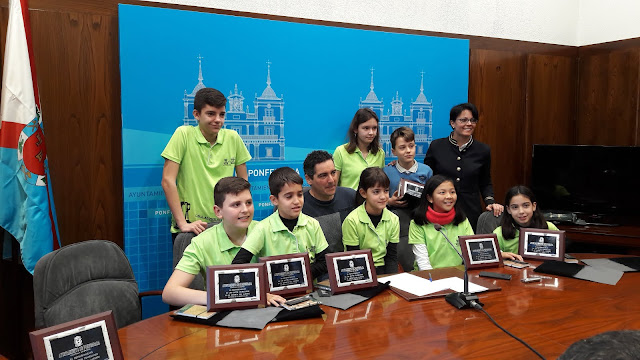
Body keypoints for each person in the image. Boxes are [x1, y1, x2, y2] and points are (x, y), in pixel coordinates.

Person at [162, 177, 285, 307]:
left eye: (248, 202)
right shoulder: (202, 242)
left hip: (269, 311)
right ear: (218, 211)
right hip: (225, 315)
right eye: (236, 205)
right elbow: (170, 292)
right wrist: (230, 296)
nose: (245, 210)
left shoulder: (267, 231)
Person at [161, 87, 251, 240]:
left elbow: (243, 183)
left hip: (225, 226)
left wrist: (237, 216)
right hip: (192, 227)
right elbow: (167, 180)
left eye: (222, 114)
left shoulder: (233, 137)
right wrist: (182, 223)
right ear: (196, 114)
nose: (217, 120)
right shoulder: (183, 134)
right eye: (211, 114)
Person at [232, 167, 329, 280]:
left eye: (300, 194)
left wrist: (298, 275)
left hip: (309, 292)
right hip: (274, 295)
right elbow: (238, 265)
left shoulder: (313, 224)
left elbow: (325, 263)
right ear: (274, 200)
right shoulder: (262, 228)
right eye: (289, 196)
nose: (297, 201)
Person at [423, 103, 503, 231]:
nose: (469, 124)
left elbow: (485, 181)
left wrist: (490, 202)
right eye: (463, 120)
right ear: (453, 123)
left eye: (473, 120)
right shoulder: (437, 146)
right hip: (441, 208)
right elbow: (427, 176)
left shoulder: (483, 150)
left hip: (470, 208)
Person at [408, 175, 473, 270]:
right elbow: (423, 263)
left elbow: (471, 252)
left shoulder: (462, 220)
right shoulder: (418, 223)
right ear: (430, 198)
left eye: (452, 192)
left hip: (458, 275)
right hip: (428, 277)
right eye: (442, 192)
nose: (449, 196)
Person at [342, 167, 399, 275]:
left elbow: (391, 257)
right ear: (363, 193)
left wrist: (391, 280)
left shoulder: (394, 219)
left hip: (383, 269)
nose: (383, 196)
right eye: (376, 192)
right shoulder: (352, 220)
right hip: (360, 271)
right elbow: (354, 259)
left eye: (386, 191)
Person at [302, 150, 356, 252]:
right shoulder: (300, 207)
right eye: (323, 175)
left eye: (333, 173)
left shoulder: (351, 197)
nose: (331, 180)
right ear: (309, 179)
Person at [495, 185, 557, 257]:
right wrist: (500, 255)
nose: (521, 211)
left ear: (533, 206)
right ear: (508, 209)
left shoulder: (550, 227)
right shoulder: (499, 233)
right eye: (515, 207)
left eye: (526, 205)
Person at [333, 108, 385, 190]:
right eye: (366, 128)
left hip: (372, 202)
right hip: (348, 202)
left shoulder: (380, 153)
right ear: (355, 129)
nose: (371, 132)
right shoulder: (341, 152)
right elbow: (333, 185)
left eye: (374, 128)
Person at [384, 126, 433, 209]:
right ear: (394, 151)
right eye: (402, 147)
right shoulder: (386, 172)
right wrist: (389, 201)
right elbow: (378, 196)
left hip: (420, 216)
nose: (408, 151)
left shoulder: (426, 171)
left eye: (411, 146)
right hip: (394, 216)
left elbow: (432, 197)